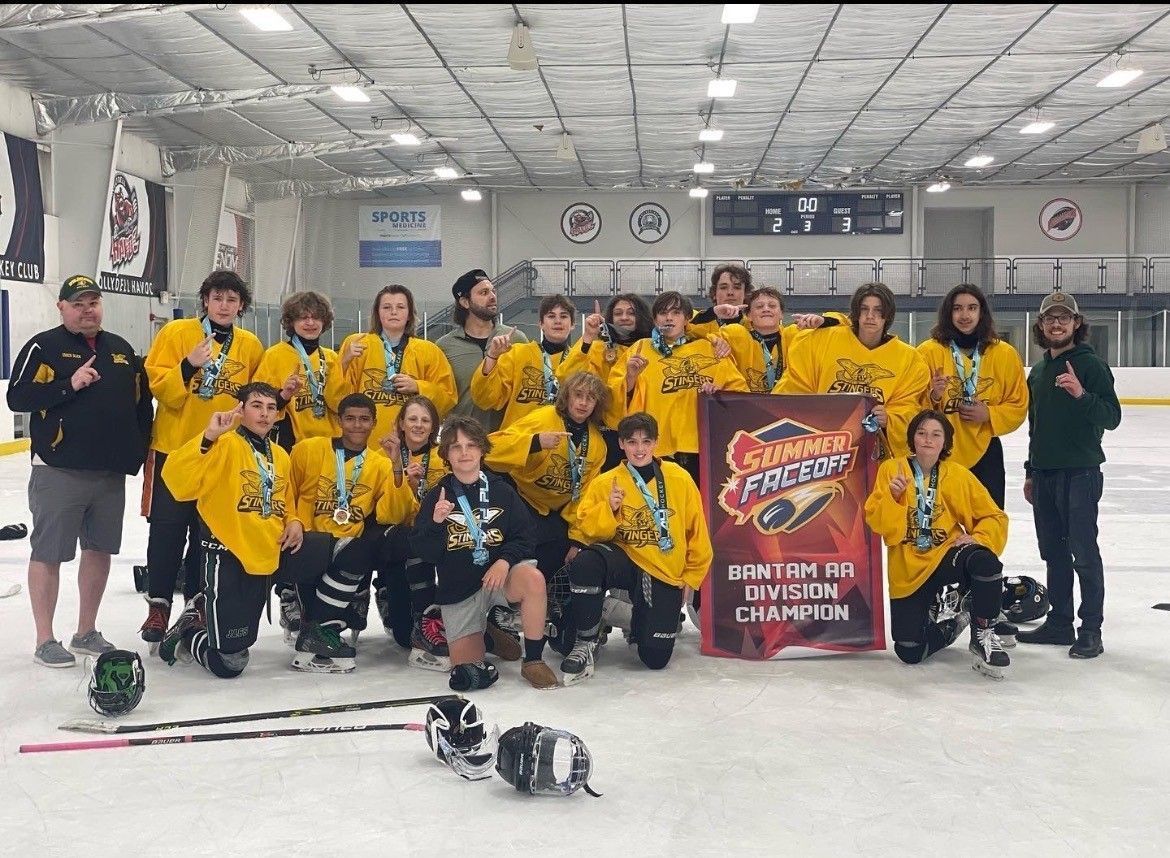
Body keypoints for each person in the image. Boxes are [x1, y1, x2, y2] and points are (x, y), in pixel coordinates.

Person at [7, 274, 153, 667]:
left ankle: (86, 631)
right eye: (78, 303)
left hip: (108, 474)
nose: (87, 309)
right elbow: (17, 397)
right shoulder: (44, 346)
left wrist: (134, 455)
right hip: (59, 470)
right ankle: (44, 639)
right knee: (49, 552)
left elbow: (142, 409)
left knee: (99, 550)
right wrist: (67, 384)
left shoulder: (121, 350)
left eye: (93, 302)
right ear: (62, 307)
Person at [140, 270, 263, 648]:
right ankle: (158, 603)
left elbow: (254, 398)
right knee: (167, 527)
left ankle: (195, 602)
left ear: (241, 305)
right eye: (217, 298)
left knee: (206, 532)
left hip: (222, 454)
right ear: (205, 301)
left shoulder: (251, 345)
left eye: (232, 299)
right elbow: (158, 387)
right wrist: (189, 365)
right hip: (175, 448)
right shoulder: (177, 334)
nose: (224, 306)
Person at [156, 383, 304, 679]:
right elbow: (177, 480)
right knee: (229, 663)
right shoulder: (223, 444)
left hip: (263, 555)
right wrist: (209, 435)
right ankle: (189, 632)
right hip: (225, 554)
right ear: (241, 409)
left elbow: (285, 501)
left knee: (241, 644)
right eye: (256, 406)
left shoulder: (280, 455)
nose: (264, 414)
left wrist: (295, 521)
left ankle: (213, 626)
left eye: (271, 407)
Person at [561, 412, 713, 684]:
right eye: (632, 442)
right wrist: (609, 508)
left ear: (656, 443)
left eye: (646, 441)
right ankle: (585, 640)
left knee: (655, 659)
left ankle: (620, 614)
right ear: (621, 444)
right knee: (586, 564)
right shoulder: (607, 482)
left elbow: (698, 532)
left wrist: (692, 576)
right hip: (625, 560)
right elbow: (588, 530)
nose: (639, 449)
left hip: (662, 569)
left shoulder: (679, 478)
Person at [411, 415, 559, 691]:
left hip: (497, 579)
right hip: (459, 590)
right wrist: (435, 524)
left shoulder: (502, 491)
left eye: (470, 445)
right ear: (446, 454)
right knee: (470, 674)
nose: (464, 452)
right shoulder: (437, 495)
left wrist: (504, 561)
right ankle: (488, 635)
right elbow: (425, 553)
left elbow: (526, 537)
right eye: (455, 447)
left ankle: (534, 660)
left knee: (533, 579)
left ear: (481, 449)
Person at [864, 410, 1012, 678]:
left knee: (985, 561)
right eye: (921, 433)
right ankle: (959, 620)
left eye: (936, 434)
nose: (927, 440)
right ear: (912, 438)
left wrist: (979, 538)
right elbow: (880, 525)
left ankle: (983, 631)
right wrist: (894, 497)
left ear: (945, 441)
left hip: (946, 556)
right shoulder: (891, 469)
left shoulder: (957, 474)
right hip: (908, 570)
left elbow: (994, 516)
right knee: (910, 651)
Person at [1017, 292, 1121, 658]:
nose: (1056, 324)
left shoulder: (1091, 366)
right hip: (1044, 475)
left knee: (1083, 553)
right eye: (1050, 319)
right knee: (1054, 554)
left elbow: (1112, 416)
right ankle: (1060, 624)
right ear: (1041, 326)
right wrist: (1031, 471)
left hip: (1080, 473)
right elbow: (1036, 426)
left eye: (1064, 318)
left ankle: (1090, 628)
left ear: (1077, 324)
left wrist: (1081, 394)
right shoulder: (1041, 370)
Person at [286, 393, 417, 672]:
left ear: (374, 423)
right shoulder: (308, 449)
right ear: (339, 420)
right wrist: (294, 520)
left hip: (348, 549)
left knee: (387, 541)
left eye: (364, 419)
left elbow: (393, 514)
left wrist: (396, 466)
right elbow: (286, 492)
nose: (357, 425)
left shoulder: (380, 463)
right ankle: (310, 619)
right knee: (358, 553)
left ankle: (316, 633)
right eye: (350, 418)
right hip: (309, 543)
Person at [484, 372, 611, 653]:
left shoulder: (597, 444)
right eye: (578, 395)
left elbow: (586, 497)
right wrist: (534, 443)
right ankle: (499, 614)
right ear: (567, 397)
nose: (583, 403)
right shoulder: (542, 418)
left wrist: (578, 539)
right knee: (521, 552)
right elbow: (489, 450)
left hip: (558, 511)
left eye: (591, 398)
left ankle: (549, 616)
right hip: (522, 499)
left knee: (564, 555)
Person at [775, 282, 930, 459]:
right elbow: (796, 383)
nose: (870, 316)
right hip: (822, 447)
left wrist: (890, 418)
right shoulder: (825, 339)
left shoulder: (909, 359)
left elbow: (909, 407)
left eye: (878, 310)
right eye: (864, 309)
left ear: (888, 315)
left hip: (872, 452)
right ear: (856, 313)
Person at [609, 291, 748, 485]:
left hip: (703, 449)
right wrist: (631, 377)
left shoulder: (709, 348)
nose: (668, 317)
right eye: (662, 313)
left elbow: (740, 392)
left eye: (675, 312)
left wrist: (718, 395)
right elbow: (615, 397)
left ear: (687, 318)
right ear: (655, 319)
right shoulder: (641, 348)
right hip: (656, 448)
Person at [919, 284, 1028, 508]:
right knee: (939, 523)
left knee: (987, 521)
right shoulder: (927, 352)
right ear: (948, 313)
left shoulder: (1004, 354)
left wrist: (990, 413)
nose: (965, 315)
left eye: (972, 308)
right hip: (937, 452)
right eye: (957, 308)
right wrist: (934, 396)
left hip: (986, 453)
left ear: (982, 312)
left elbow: (1018, 404)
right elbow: (910, 404)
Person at [371, 395, 451, 670]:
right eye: (413, 419)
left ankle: (429, 616)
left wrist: (421, 491)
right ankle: (392, 596)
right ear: (401, 424)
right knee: (404, 637)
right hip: (394, 536)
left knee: (424, 543)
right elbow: (389, 515)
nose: (418, 425)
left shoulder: (444, 457)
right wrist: (400, 478)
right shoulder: (382, 456)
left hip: (431, 534)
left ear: (434, 427)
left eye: (425, 420)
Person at [342, 284, 457, 451]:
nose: (393, 312)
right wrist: (345, 362)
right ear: (377, 313)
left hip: (413, 448)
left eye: (400, 307)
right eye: (387, 307)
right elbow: (337, 400)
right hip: (365, 446)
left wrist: (418, 386)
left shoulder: (429, 351)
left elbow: (448, 399)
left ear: (410, 314)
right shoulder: (358, 345)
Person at [253, 291, 350, 451]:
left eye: (316, 317)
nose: (310, 323)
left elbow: (341, 405)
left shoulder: (332, 358)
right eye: (303, 317)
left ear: (324, 321)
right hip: (292, 445)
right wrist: (283, 393)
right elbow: (257, 403)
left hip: (330, 445)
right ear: (291, 321)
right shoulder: (274, 355)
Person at [436, 269, 529, 433]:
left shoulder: (517, 339)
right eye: (484, 292)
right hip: (461, 443)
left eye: (493, 291)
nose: (493, 296)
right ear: (465, 302)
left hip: (507, 442)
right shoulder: (445, 346)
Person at [471, 294, 574, 430]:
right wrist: (492, 356)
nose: (558, 321)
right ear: (541, 324)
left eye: (564, 316)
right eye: (551, 316)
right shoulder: (517, 354)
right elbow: (485, 399)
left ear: (572, 324)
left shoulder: (578, 360)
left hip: (561, 443)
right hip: (520, 443)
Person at [712, 287, 835, 392]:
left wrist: (823, 322)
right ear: (748, 315)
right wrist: (717, 341)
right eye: (759, 306)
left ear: (781, 314)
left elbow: (844, 330)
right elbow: (699, 336)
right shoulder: (734, 334)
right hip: (746, 409)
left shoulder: (797, 335)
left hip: (789, 410)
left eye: (772, 306)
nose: (766, 309)